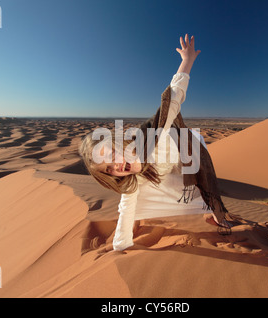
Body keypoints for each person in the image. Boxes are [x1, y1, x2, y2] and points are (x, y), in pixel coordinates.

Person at [79, 34, 237, 252]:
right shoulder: (129, 180)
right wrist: (120, 246)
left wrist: (187, 60)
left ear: (120, 143)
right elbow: (125, 208)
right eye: (108, 168)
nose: (115, 165)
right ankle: (141, 219)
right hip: (160, 170)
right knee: (134, 197)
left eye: (112, 155)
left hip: (185, 150)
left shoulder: (153, 140)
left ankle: (214, 211)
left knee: (200, 182)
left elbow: (172, 100)